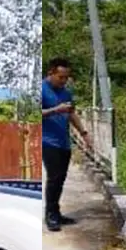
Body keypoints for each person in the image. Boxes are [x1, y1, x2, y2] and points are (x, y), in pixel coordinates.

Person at [40, 57, 90, 232]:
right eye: (60, 77)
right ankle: (50, 215)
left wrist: (84, 134)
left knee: (60, 179)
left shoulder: (66, 93)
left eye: (66, 77)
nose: (63, 81)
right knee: (53, 178)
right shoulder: (41, 89)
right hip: (47, 141)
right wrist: (55, 110)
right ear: (51, 73)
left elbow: (72, 114)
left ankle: (57, 212)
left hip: (64, 142)